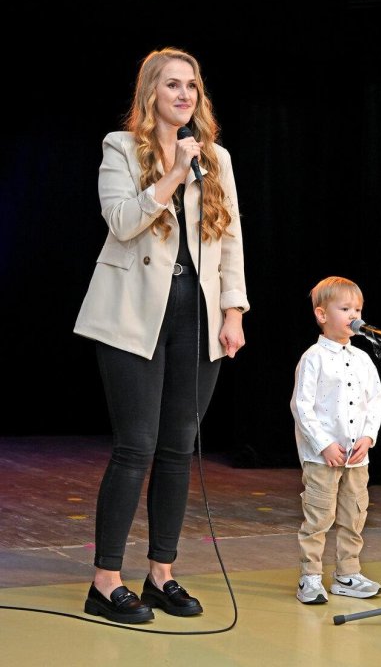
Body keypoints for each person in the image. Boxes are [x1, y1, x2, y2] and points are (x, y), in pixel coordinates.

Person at [74, 47, 250, 624]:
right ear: (151, 92)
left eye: (192, 86)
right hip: (132, 315)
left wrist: (233, 311)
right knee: (136, 446)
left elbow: (230, 240)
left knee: (178, 447)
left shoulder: (216, 157)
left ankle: (161, 575)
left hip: (196, 316)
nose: (184, 95)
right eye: (172, 84)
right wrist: (172, 175)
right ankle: (105, 581)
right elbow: (122, 222)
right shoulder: (121, 148)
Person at [290, 275, 381, 605]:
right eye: (345, 309)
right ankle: (310, 577)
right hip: (323, 457)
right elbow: (301, 406)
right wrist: (324, 444)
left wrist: (368, 437)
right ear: (322, 314)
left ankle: (347, 574)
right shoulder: (313, 357)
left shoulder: (364, 359)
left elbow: (376, 401)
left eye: (357, 309)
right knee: (318, 517)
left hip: (357, 457)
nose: (353, 315)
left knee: (354, 515)